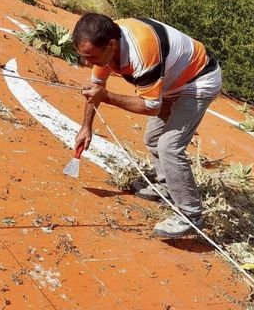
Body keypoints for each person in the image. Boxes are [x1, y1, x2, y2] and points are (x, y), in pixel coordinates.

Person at [72, 13, 222, 238]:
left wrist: (107, 97)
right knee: (152, 140)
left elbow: (151, 106)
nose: (87, 62)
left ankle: (191, 215)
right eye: (83, 56)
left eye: (90, 57)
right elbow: (96, 87)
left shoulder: (142, 52)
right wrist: (86, 127)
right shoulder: (105, 45)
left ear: (111, 45)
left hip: (198, 81)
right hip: (170, 82)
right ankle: (166, 186)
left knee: (169, 146)